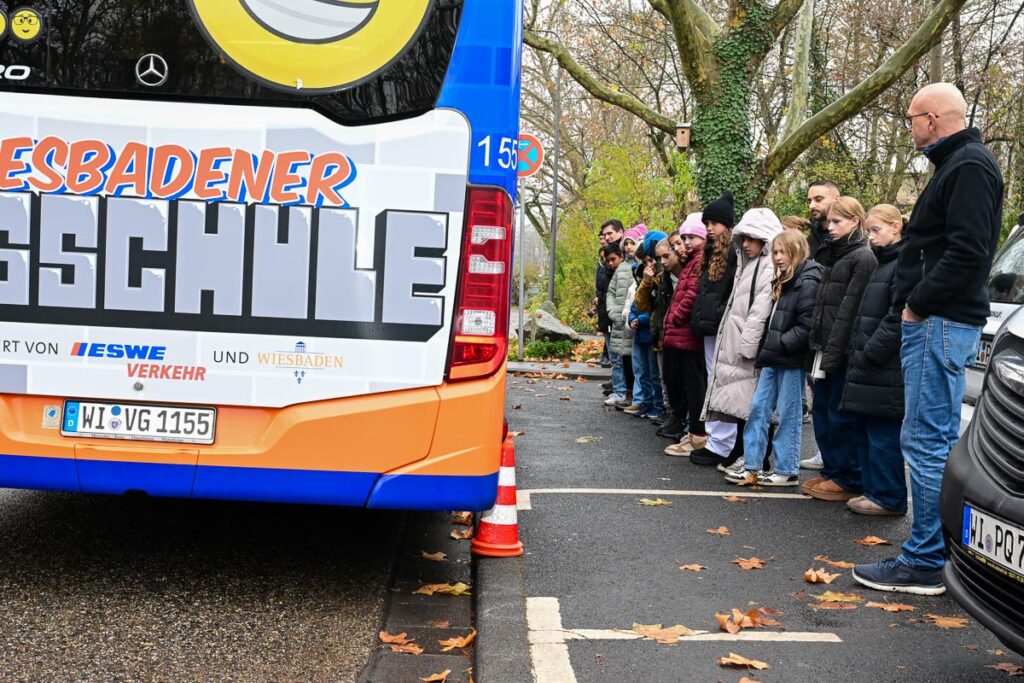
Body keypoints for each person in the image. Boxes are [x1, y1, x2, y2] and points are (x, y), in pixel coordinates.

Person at [854, 83, 1004, 596]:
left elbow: (969, 251)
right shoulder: (958, 165)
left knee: (925, 440)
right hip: (935, 320)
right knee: (928, 439)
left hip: (938, 321)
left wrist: (917, 303)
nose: (910, 128)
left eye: (912, 118)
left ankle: (924, 558)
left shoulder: (968, 167)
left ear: (933, 118)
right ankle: (935, 553)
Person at [725, 230, 822, 486]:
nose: (778, 257)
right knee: (758, 408)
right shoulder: (784, 280)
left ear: (798, 251)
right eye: (776, 252)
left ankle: (787, 468)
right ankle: (752, 465)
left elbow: (806, 324)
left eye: (784, 252)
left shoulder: (807, 280)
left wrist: (779, 343)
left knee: (788, 413)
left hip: (788, 358)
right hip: (773, 356)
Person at [802, 197, 877, 502]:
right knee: (823, 409)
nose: (830, 227)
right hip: (826, 345)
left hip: (842, 350)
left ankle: (847, 476)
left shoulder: (862, 258)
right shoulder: (835, 254)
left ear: (855, 222)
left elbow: (849, 311)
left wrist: (834, 352)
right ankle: (833, 470)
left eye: (837, 222)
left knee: (839, 414)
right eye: (829, 222)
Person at [839, 204, 908, 516]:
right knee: (868, 430)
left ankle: (888, 496)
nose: (871, 237)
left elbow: (897, 317)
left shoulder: (900, 263)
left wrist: (869, 352)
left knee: (882, 435)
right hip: (869, 364)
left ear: (896, 227)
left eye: (876, 230)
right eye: (868, 231)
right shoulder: (883, 263)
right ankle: (874, 490)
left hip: (883, 367)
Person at [703, 208, 781, 474]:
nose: (745, 244)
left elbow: (760, 310)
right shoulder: (749, 264)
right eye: (743, 238)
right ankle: (741, 450)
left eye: (751, 239)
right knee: (740, 400)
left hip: (746, 347)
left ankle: (755, 455)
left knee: (754, 403)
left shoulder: (766, 266)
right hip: (737, 342)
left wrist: (746, 347)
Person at [689, 191, 740, 467]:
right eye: (707, 223)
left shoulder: (732, 252)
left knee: (722, 382)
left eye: (715, 223)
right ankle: (716, 439)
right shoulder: (710, 252)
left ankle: (723, 442)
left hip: (721, 327)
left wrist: (718, 315)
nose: (709, 228)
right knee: (713, 380)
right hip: (709, 327)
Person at [662, 216, 707, 456]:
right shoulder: (690, 261)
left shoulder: (699, 262)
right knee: (678, 383)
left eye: (692, 237)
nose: (687, 242)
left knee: (693, 386)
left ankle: (697, 435)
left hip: (688, 335)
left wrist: (676, 317)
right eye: (684, 238)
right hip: (679, 333)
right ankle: (691, 431)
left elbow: (691, 295)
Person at [627, 231, 668, 418]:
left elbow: (655, 307)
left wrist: (642, 318)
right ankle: (648, 402)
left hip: (658, 330)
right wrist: (646, 281)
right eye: (648, 260)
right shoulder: (646, 276)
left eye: (654, 260)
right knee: (643, 371)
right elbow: (640, 303)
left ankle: (659, 406)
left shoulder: (665, 276)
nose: (650, 264)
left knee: (657, 375)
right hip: (648, 331)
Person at [604, 225, 645, 407]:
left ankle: (636, 395)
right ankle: (619, 391)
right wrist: (612, 311)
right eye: (626, 243)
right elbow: (611, 292)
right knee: (617, 359)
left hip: (632, 320)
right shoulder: (621, 268)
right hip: (618, 321)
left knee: (635, 362)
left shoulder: (641, 267)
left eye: (632, 243)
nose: (629, 247)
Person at [597, 220, 625, 368]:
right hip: (607, 311)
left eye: (610, 233)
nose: (606, 237)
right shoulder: (606, 257)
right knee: (614, 357)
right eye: (604, 235)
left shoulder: (625, 256)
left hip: (620, 314)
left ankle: (622, 385)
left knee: (621, 358)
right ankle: (617, 382)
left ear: (620, 232)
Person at [806, 181, 841, 261]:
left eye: (818, 200)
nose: (811, 206)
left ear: (836, 199)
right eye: (809, 201)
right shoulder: (811, 239)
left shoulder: (849, 239)